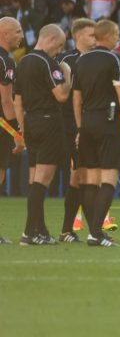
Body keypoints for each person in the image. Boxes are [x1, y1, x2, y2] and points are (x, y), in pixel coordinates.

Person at [73, 20, 120, 247]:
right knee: (108, 178)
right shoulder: (114, 59)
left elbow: (76, 99)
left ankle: (94, 232)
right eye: (117, 33)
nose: (118, 38)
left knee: (90, 181)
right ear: (108, 36)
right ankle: (95, 234)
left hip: (87, 121)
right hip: (108, 121)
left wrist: (80, 127)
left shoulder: (81, 60)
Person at [15, 24, 71, 245]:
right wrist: (66, 73)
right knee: (43, 181)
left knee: (34, 180)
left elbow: (17, 102)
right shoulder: (47, 62)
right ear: (49, 39)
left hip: (30, 123)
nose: (59, 51)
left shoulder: (23, 62)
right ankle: (30, 232)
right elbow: (61, 96)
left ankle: (40, 230)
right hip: (49, 122)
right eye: (58, 46)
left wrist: (22, 129)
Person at [57, 18, 97, 242]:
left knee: (77, 177)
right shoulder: (65, 60)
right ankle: (93, 231)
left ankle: (67, 230)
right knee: (82, 176)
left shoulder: (98, 59)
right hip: (69, 127)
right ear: (78, 36)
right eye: (91, 35)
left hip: (90, 125)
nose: (95, 38)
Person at [0, 17, 24, 244]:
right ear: (5, 34)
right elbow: (6, 102)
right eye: (17, 32)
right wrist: (18, 133)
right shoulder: (5, 61)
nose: (21, 36)